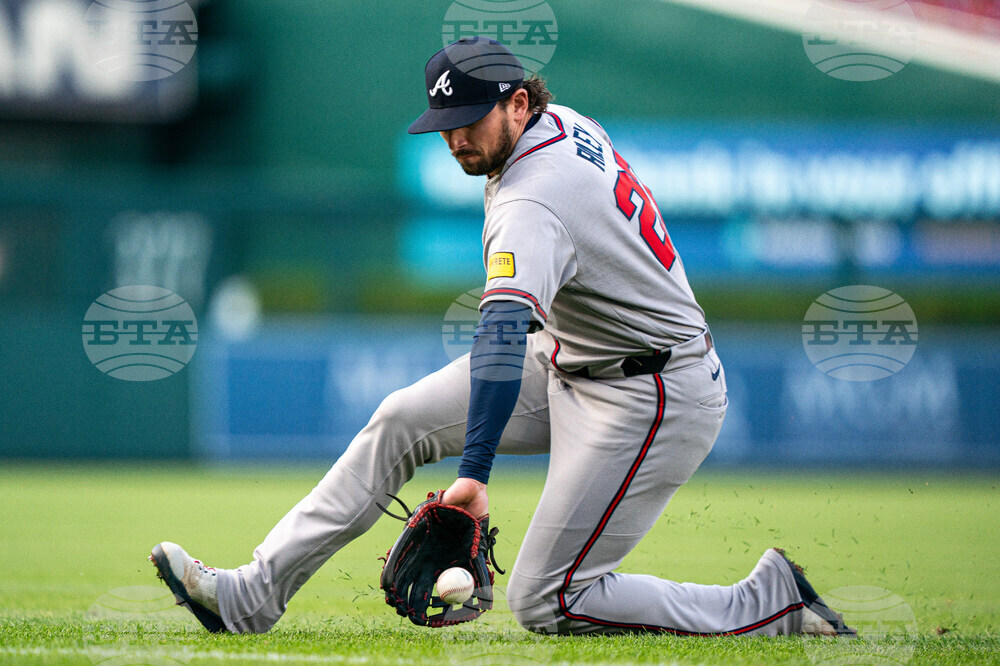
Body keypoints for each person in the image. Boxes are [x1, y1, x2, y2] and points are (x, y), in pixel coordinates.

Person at [150, 37, 854, 638]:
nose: (456, 138)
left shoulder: (532, 197)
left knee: (548, 600)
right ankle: (251, 595)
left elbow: (498, 338)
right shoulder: (560, 124)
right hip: (576, 357)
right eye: (445, 122)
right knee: (399, 420)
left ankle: (769, 602)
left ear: (519, 102)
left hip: (651, 393)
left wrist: (474, 474)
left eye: (470, 118)